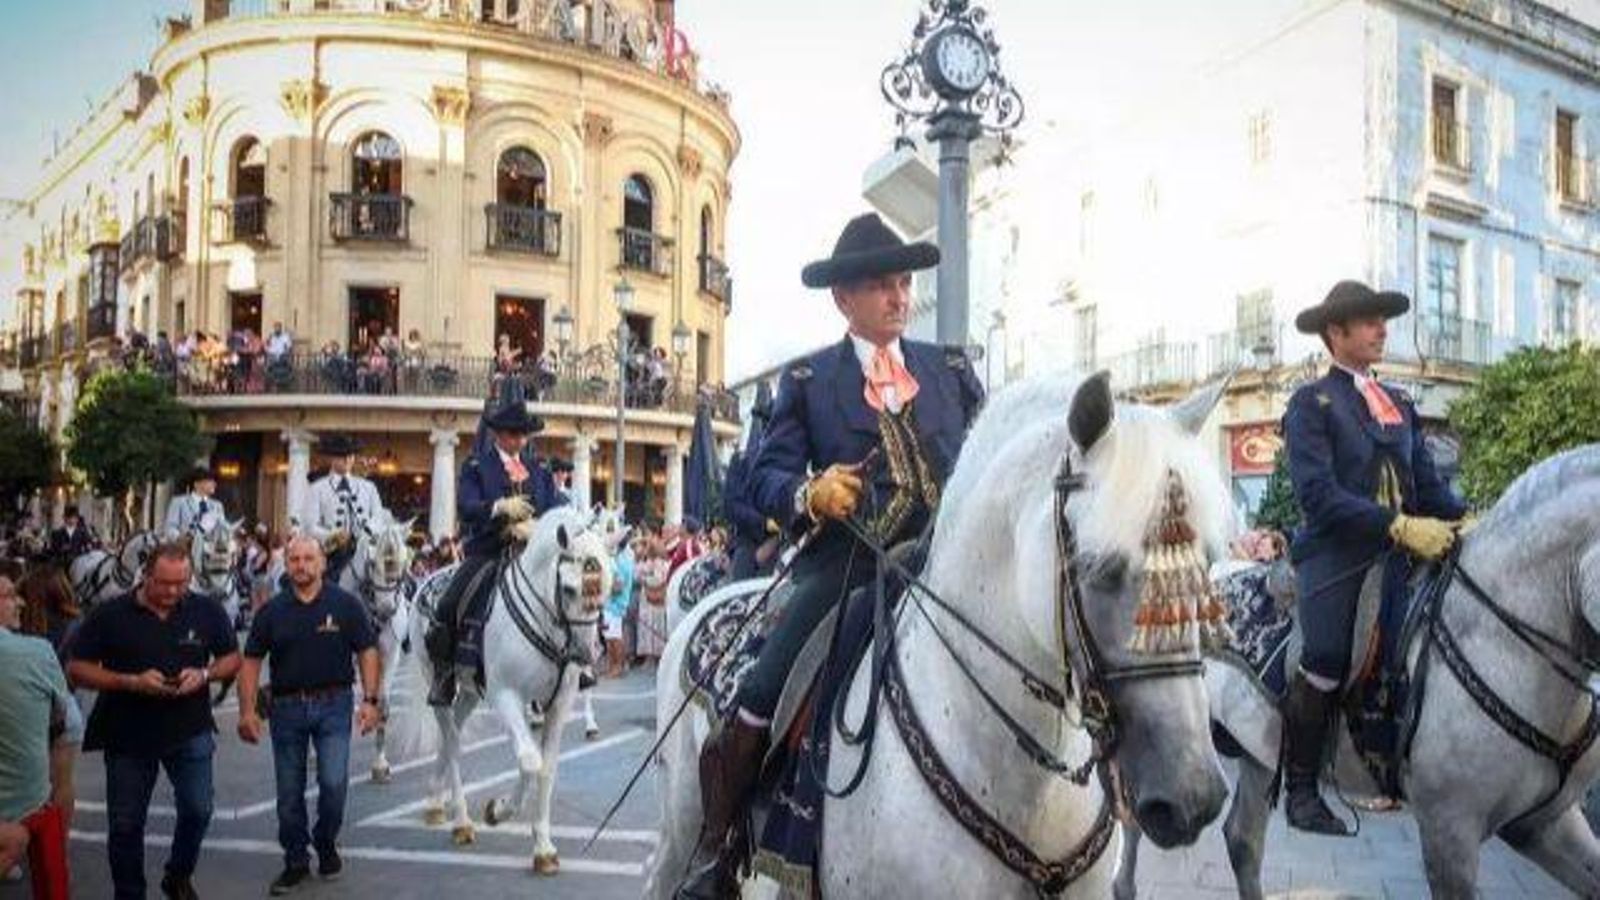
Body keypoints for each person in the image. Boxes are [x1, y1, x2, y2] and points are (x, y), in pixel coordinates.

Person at [675, 212, 984, 897]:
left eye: (903, 283)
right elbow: (763, 475)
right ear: (844, 299)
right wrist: (809, 492)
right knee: (767, 684)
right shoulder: (811, 380)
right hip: (846, 566)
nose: (899, 297)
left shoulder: (950, 371)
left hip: (945, 565)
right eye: (881, 286)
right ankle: (721, 846)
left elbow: (984, 455)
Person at [1279, 280, 1468, 836]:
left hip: (1402, 555)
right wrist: (1398, 525)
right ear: (1335, 333)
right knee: (1326, 656)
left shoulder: (1400, 405)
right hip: (1337, 554)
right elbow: (1319, 496)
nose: (1382, 330)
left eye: (1383, 321)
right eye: (1369, 322)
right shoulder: (1311, 403)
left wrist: (1467, 519)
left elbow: (1427, 488)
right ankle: (1301, 790)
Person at [66, 539, 241, 900]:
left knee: (199, 809)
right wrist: (129, 681)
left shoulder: (205, 610)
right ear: (145, 575)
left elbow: (232, 658)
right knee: (126, 824)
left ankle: (178, 874)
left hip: (189, 727)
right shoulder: (110, 614)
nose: (173, 592)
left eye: (181, 583)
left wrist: (204, 675)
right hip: (127, 733)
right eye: (164, 583)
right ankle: (130, 893)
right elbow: (77, 668)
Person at [237, 536, 381, 895]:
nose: (301, 565)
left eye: (308, 559)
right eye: (295, 559)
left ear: (322, 563)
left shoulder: (345, 604)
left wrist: (371, 700)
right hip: (286, 708)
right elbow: (251, 661)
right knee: (289, 793)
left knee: (333, 784)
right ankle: (296, 861)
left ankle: (325, 840)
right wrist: (247, 710)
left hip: (334, 705)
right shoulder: (272, 611)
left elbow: (367, 650)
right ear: (286, 564)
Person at [424, 399, 567, 706]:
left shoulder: (538, 469)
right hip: (489, 549)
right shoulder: (477, 466)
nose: (520, 440)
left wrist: (540, 525)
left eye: (523, 434)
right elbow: (466, 506)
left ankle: (574, 659)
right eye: (514, 434)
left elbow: (555, 505)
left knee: (570, 591)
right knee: (451, 601)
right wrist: (499, 507)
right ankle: (445, 671)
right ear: (499, 434)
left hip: (533, 551)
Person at [0, 574, 81, 900]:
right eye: (9, 595)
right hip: (23, 801)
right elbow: (59, 719)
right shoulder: (36, 651)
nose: (19, 601)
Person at [297, 434, 388, 585]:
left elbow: (378, 517)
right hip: (332, 554)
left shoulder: (369, 487)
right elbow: (310, 525)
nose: (347, 460)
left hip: (365, 549)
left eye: (350, 455)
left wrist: (367, 532)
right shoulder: (317, 489)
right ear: (332, 459)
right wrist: (334, 536)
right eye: (342, 456)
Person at [163, 467, 225, 537]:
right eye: (210, 481)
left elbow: (222, 530)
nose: (214, 484)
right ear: (196, 484)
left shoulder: (217, 506)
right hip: (185, 542)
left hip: (210, 543)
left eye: (214, 481)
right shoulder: (179, 502)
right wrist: (181, 537)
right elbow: (170, 527)